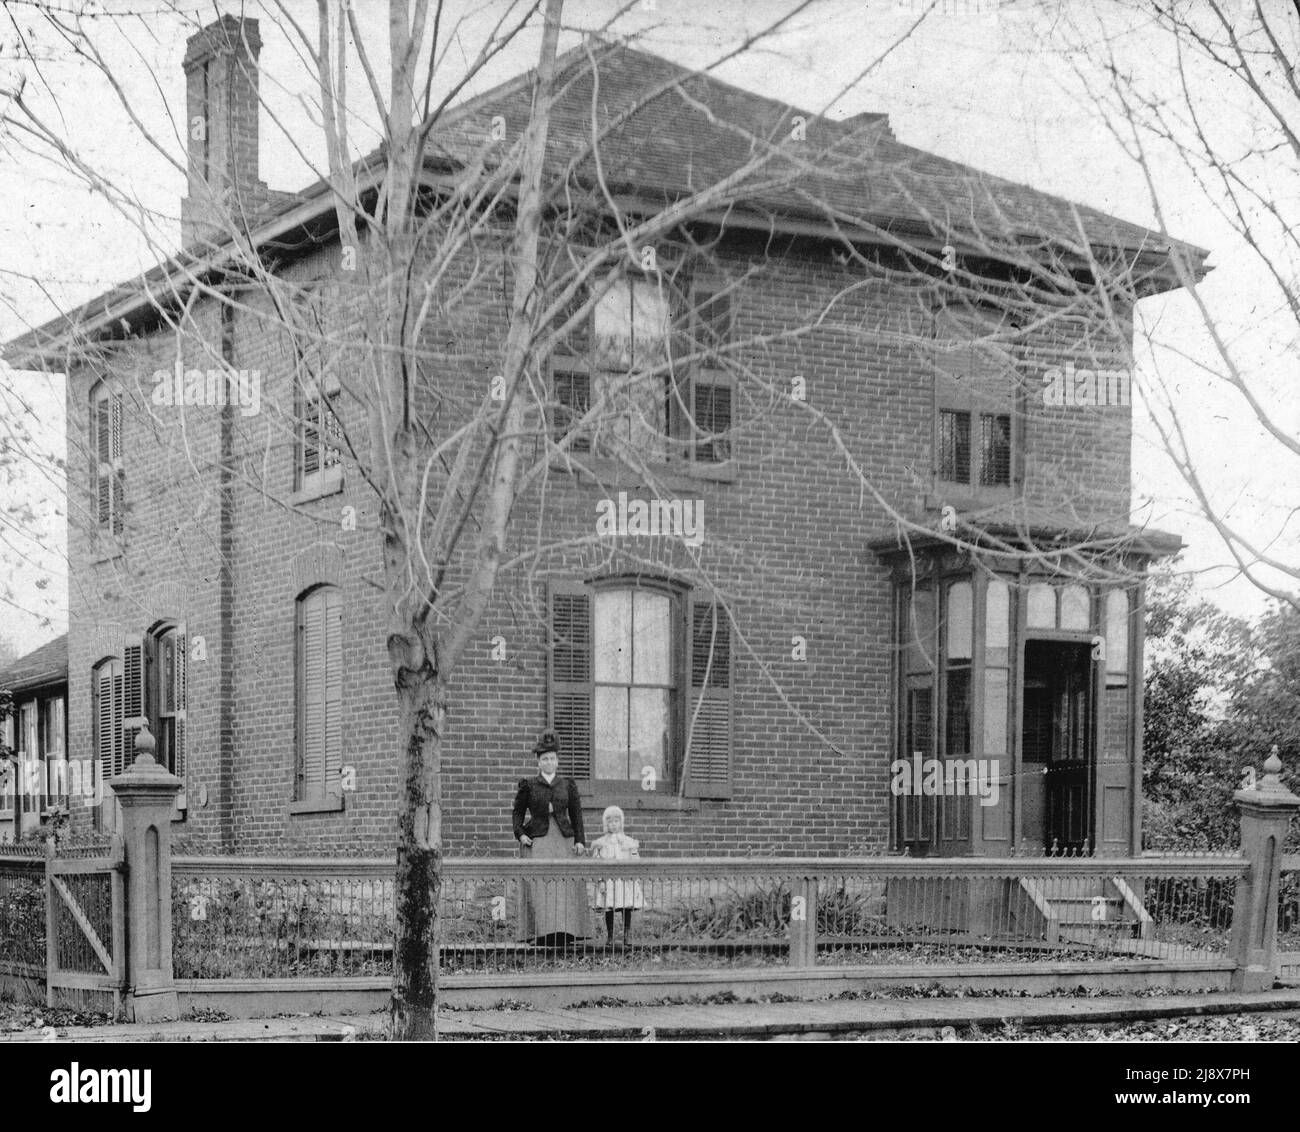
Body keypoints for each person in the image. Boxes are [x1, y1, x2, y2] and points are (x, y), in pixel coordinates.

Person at [512, 731, 588, 946]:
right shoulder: (529, 785)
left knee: (564, 884)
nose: (549, 762)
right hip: (539, 839)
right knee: (542, 885)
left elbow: (577, 814)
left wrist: (580, 840)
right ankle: (542, 934)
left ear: (557, 761)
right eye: (544, 759)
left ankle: (567, 933)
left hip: (563, 839)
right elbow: (517, 813)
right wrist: (521, 834)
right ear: (538, 761)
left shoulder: (567, 785)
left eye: (552, 758)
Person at [589, 805, 644, 945]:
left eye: (616, 821)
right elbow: (597, 864)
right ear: (606, 824)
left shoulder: (628, 842)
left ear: (621, 823)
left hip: (624, 880)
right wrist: (600, 881)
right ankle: (610, 937)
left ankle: (627, 936)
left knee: (626, 907)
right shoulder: (601, 843)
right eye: (610, 822)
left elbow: (635, 859)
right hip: (609, 880)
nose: (613, 825)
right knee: (609, 907)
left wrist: (633, 871)